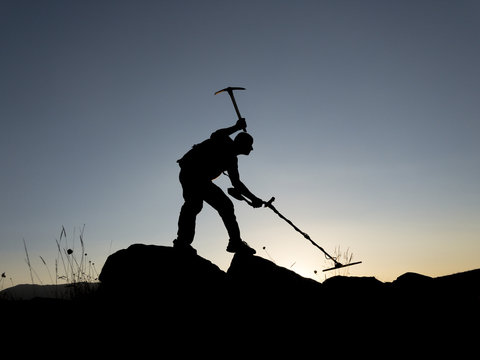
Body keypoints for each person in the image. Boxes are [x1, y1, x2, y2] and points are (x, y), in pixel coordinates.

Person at [174, 118, 263, 255]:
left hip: (199, 178)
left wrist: (254, 198)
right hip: (191, 173)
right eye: (250, 145)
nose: (252, 148)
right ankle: (183, 242)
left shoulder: (232, 160)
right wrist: (237, 127)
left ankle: (234, 242)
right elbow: (216, 134)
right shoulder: (224, 141)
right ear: (242, 144)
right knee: (196, 204)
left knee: (218, 205)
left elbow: (236, 183)